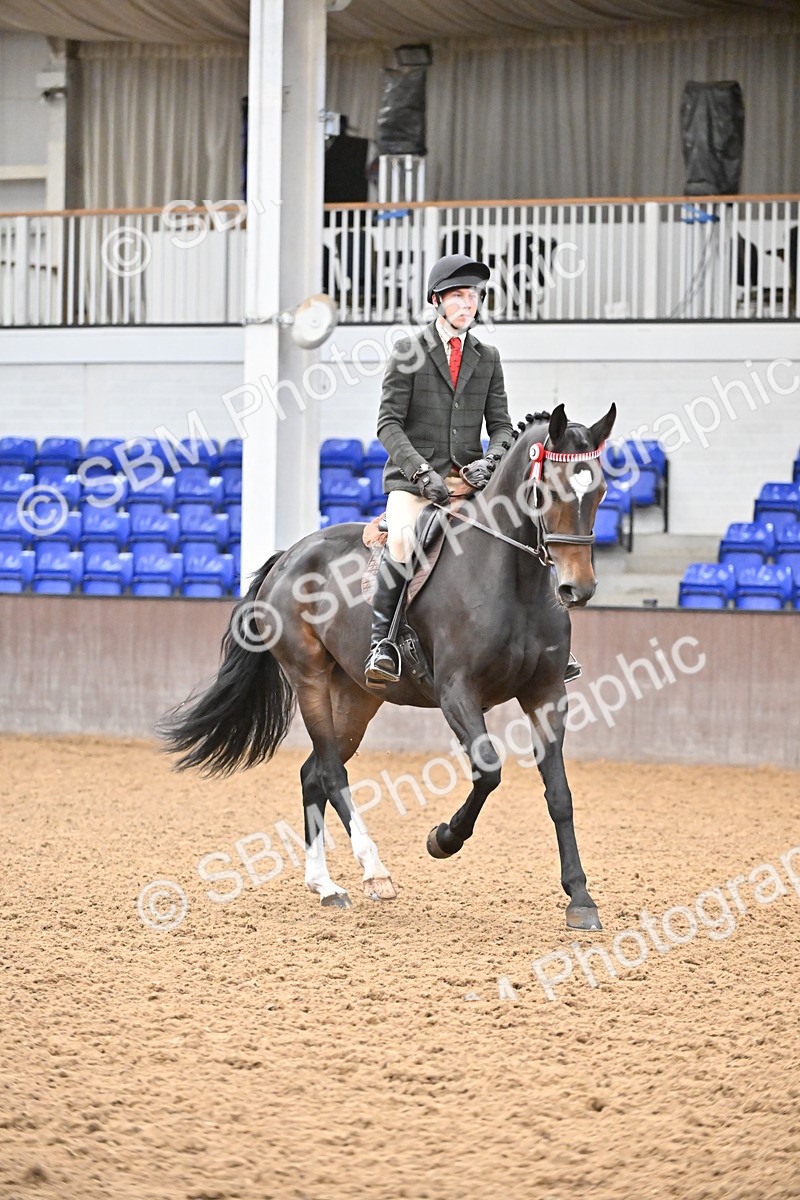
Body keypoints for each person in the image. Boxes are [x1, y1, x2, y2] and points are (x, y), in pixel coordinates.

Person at [364, 253, 513, 687]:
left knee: (521, 528)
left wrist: (490, 460)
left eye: (474, 296)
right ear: (436, 300)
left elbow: (501, 425)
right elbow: (387, 423)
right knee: (405, 538)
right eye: (459, 296)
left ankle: (543, 639)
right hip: (416, 483)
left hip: (468, 481)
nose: (468, 304)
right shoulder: (409, 352)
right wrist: (420, 473)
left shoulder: (487, 357)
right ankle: (384, 643)